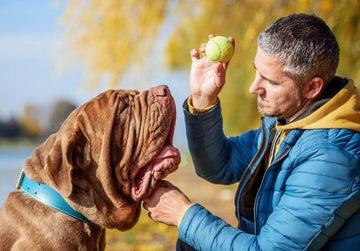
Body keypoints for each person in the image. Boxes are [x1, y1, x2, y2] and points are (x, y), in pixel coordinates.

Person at [143, 13, 360, 250]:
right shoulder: (287, 124)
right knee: (192, 242)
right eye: (256, 71)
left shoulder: (331, 157)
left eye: (270, 81)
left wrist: (183, 215)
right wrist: (203, 99)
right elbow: (219, 167)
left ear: (312, 88)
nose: (253, 87)